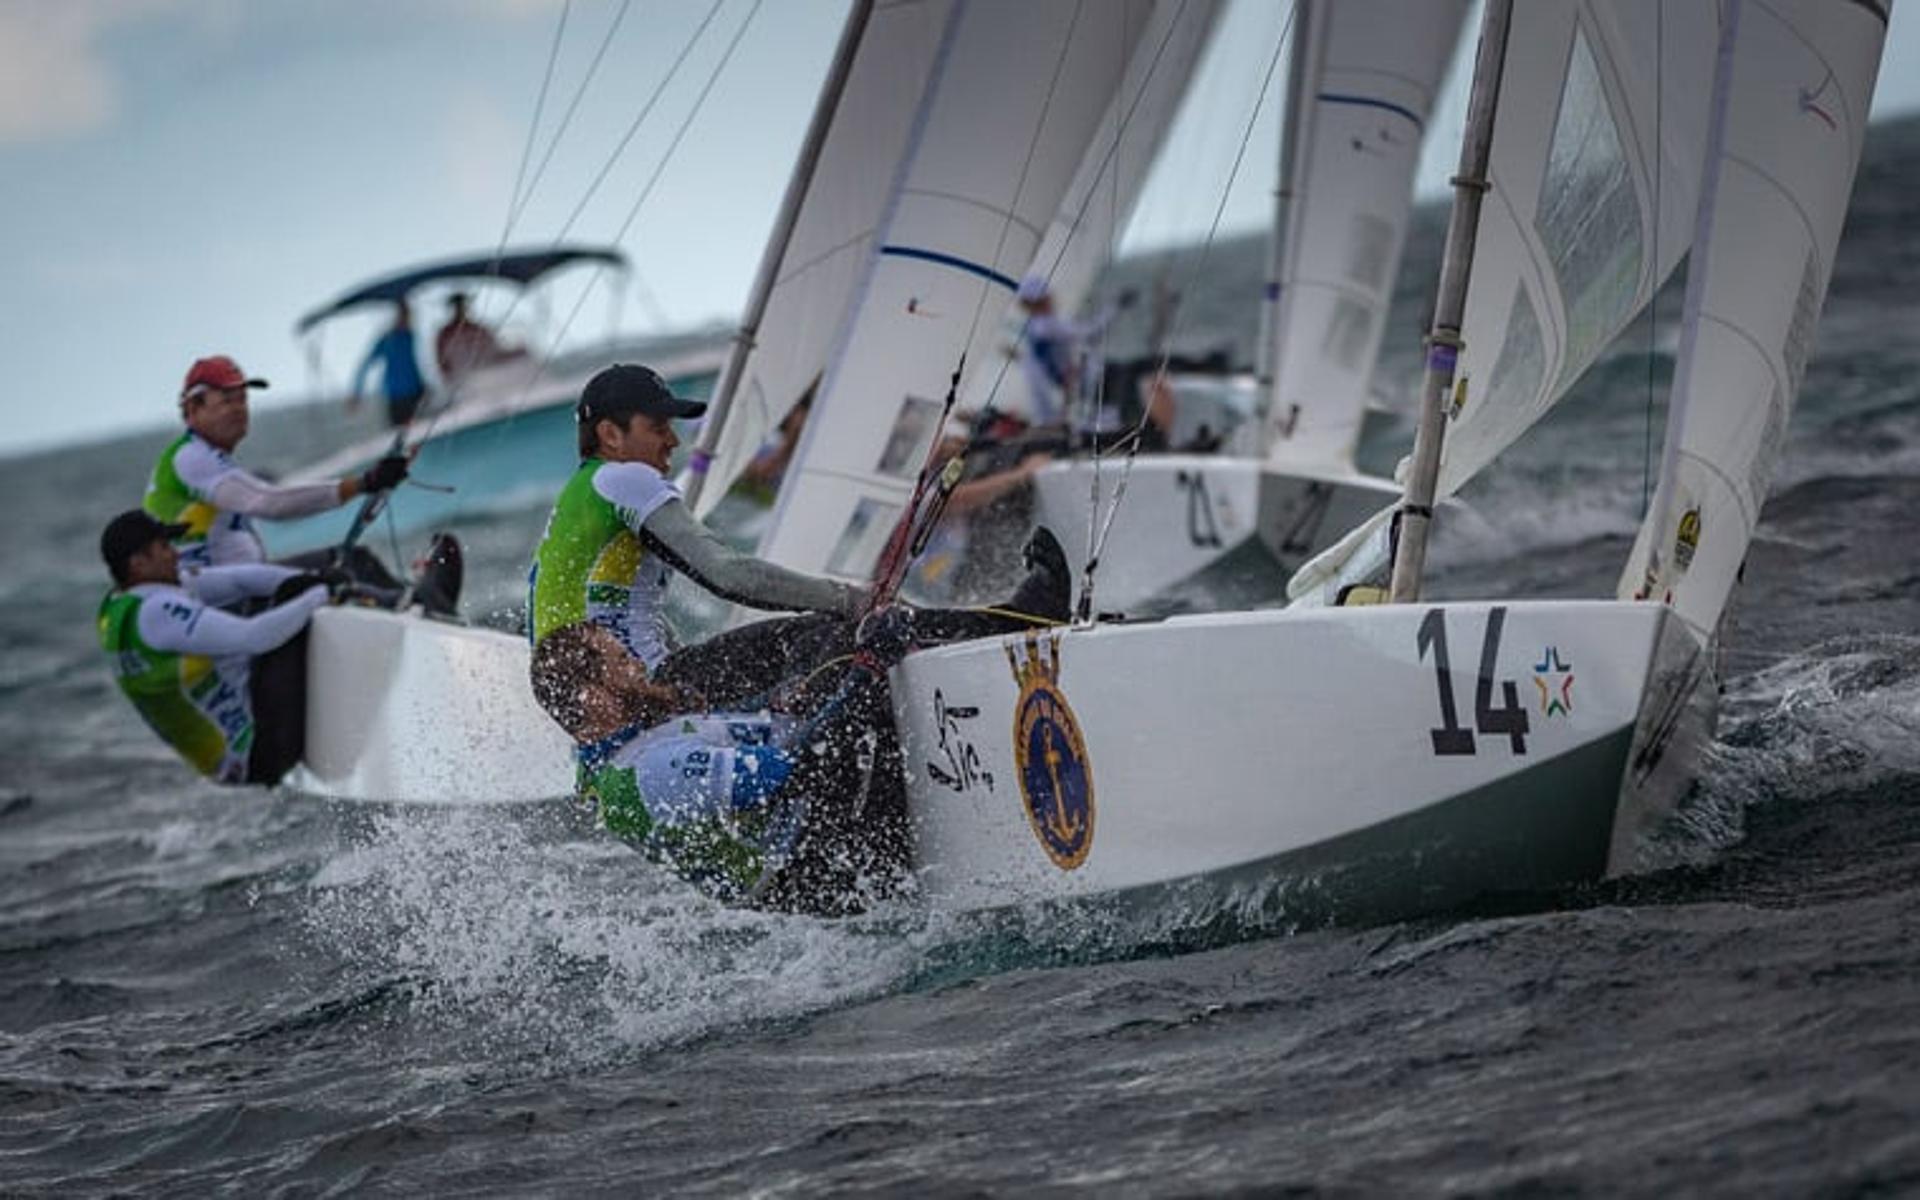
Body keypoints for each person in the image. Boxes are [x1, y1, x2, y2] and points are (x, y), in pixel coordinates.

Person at [97, 509, 342, 786]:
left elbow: (239, 580)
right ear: (139, 564)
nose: (176, 555)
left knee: (293, 585)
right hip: (261, 752)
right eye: (164, 548)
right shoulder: (156, 613)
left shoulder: (120, 606)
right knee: (302, 596)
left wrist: (314, 576)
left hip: (236, 760)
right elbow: (255, 637)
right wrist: (322, 593)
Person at [145, 354, 412, 575]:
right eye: (227, 400)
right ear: (193, 409)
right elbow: (269, 504)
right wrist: (365, 483)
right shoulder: (190, 457)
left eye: (243, 399)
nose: (240, 409)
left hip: (237, 587)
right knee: (356, 565)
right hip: (222, 601)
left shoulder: (201, 455)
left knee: (350, 566)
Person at [1015, 273, 1131, 432]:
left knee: (1104, 377)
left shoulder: (1034, 328)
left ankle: (1098, 421)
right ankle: (1102, 424)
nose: (1051, 301)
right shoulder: (1046, 326)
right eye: (1047, 298)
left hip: (1066, 382)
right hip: (1073, 381)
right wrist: (1115, 307)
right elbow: (1091, 332)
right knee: (1112, 373)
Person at [350, 301, 428, 427]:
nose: (407, 318)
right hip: (395, 396)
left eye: (409, 314)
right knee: (400, 432)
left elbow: (419, 365)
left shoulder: (411, 336)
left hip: (416, 393)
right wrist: (356, 393)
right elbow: (365, 365)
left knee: (420, 429)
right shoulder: (387, 339)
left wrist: (424, 384)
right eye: (404, 314)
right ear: (397, 315)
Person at [434, 292, 524, 385]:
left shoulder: (479, 329)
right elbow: (443, 363)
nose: (462, 310)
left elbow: (494, 352)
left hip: (486, 377)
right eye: (459, 307)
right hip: (463, 381)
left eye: (464, 306)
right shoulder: (446, 333)